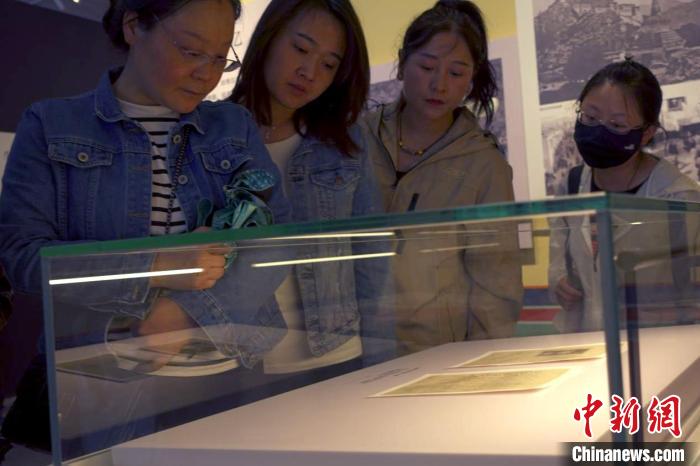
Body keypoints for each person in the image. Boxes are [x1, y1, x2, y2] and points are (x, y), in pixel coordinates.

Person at [0, 0, 292, 451]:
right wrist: (153, 265)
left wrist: (183, 314)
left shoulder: (232, 126)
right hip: (96, 380)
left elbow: (275, 240)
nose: (206, 74)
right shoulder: (52, 124)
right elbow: (22, 256)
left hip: (224, 375)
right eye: (191, 51)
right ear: (135, 26)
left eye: (220, 58)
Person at [230, 0, 393, 377]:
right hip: (243, 360)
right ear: (270, 37)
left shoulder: (343, 141)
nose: (309, 72)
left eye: (329, 64)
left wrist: (380, 363)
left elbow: (372, 258)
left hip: (336, 353)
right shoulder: (215, 133)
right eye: (301, 49)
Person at [361, 0, 522, 354]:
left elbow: (496, 286)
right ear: (402, 63)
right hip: (352, 346)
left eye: (456, 73)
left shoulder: (483, 165)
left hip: (434, 353)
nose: (439, 85)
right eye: (427, 66)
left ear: (471, 79)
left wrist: (481, 366)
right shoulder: (359, 137)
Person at [549, 59, 700, 332]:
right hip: (589, 339)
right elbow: (560, 261)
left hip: (662, 342)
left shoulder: (679, 197)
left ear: (646, 133)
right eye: (590, 118)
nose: (598, 131)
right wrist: (560, 283)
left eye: (617, 125)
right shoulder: (571, 186)